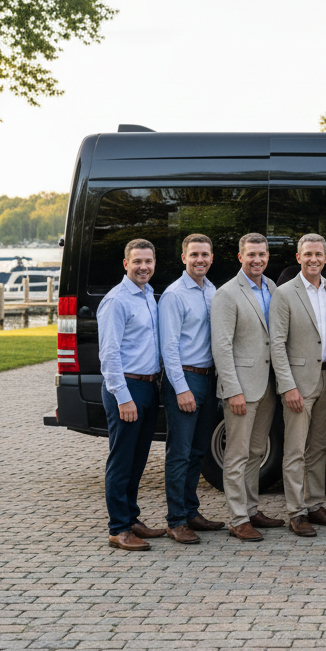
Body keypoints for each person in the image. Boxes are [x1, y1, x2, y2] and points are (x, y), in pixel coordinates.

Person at [210, 233, 285, 541]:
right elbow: (222, 346)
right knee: (238, 454)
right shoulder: (227, 294)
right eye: (251, 254)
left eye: (262, 254)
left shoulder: (271, 287)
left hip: (268, 385)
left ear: (268, 257)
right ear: (240, 257)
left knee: (256, 451)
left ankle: (252, 509)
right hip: (241, 387)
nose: (257, 259)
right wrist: (232, 389)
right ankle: (238, 518)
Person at [270, 233, 326, 538]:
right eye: (308, 254)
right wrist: (288, 386)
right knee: (295, 449)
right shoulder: (284, 293)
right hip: (299, 382)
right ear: (299, 257)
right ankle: (296, 512)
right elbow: (277, 343)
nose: (313, 259)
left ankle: (315, 503)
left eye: (319, 254)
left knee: (318, 448)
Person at [158, 233, 226, 544]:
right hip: (185, 379)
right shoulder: (174, 295)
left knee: (198, 451)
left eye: (205, 254)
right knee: (180, 453)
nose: (200, 259)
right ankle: (175, 520)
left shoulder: (212, 290)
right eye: (194, 254)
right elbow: (169, 347)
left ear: (212, 258)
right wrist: (181, 388)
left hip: (209, 379)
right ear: (184, 257)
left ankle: (191, 512)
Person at [97, 238, 165, 551]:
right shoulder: (117, 301)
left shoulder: (148, 295)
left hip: (148, 385)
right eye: (137, 261)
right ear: (126, 264)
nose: (143, 267)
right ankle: (118, 529)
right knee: (121, 460)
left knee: (138, 460)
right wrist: (123, 397)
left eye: (148, 261)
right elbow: (109, 354)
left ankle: (131, 517)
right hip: (127, 387)